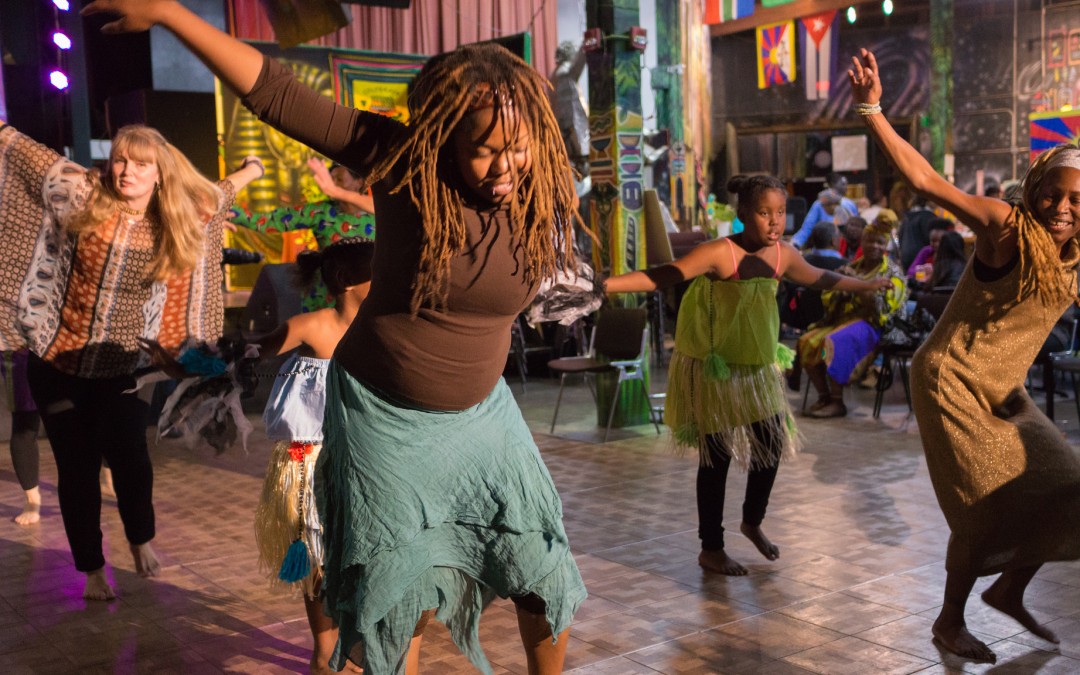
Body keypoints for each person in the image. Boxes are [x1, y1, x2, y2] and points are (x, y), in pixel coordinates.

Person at [83, 2, 587, 672]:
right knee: (397, 596)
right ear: (446, 140)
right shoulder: (408, 162)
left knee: (543, 568)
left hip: (482, 414)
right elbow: (277, 95)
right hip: (384, 415)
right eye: (483, 151)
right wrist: (173, 14)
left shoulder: (539, 186)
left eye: (516, 147)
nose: (504, 167)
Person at [850, 48, 1080, 663]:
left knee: (1068, 487)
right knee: (986, 506)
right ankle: (949, 622)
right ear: (1034, 191)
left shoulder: (1076, 255)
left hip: (1005, 392)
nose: (1062, 207)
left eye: (1076, 199)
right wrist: (873, 110)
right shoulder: (1007, 227)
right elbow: (927, 181)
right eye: (1053, 194)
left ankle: (1008, 587)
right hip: (951, 377)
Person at [0, 118, 263, 600]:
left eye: (141, 164)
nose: (127, 172)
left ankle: (139, 537)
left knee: (132, 462)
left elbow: (220, 192)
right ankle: (93, 569)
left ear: (159, 173)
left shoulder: (180, 214)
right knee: (76, 470)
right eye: (121, 159)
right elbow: (21, 150)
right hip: (59, 365)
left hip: (124, 370)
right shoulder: (84, 194)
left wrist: (253, 168)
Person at [605, 174, 890, 576]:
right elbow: (665, 275)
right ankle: (711, 547)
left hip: (755, 365)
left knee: (771, 443)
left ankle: (752, 520)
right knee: (715, 457)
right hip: (715, 365)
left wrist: (864, 285)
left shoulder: (784, 254)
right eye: (763, 213)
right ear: (743, 215)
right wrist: (608, 285)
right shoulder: (719, 253)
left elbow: (818, 276)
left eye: (779, 213)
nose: (775, 222)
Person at [229, 157, 376, 311]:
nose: (332, 184)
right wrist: (230, 211)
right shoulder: (320, 211)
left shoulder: (377, 214)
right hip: (325, 296)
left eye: (339, 179)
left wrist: (336, 191)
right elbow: (270, 221)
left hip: (365, 295)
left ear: (359, 182)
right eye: (331, 179)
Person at [795, 220, 908, 418]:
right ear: (862, 242)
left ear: (886, 246)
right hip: (843, 320)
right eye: (869, 241)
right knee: (806, 341)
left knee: (835, 341)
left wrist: (856, 282)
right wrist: (841, 284)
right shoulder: (851, 266)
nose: (874, 246)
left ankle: (838, 402)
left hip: (875, 325)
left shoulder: (894, 273)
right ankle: (824, 397)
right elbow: (828, 300)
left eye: (880, 242)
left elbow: (882, 310)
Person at [1, 349, 42, 525]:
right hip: (16, 346)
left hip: (61, 342)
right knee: (25, 422)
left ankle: (109, 482)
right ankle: (33, 501)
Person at [906, 217, 954, 283]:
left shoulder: (951, 254)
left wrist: (933, 272)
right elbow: (910, 271)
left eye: (938, 241)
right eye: (932, 241)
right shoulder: (926, 251)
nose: (934, 244)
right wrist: (921, 269)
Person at [898, 194, 938, 271]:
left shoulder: (907, 216)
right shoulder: (928, 216)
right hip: (921, 261)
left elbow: (900, 236)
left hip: (905, 259)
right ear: (929, 199)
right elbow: (931, 239)